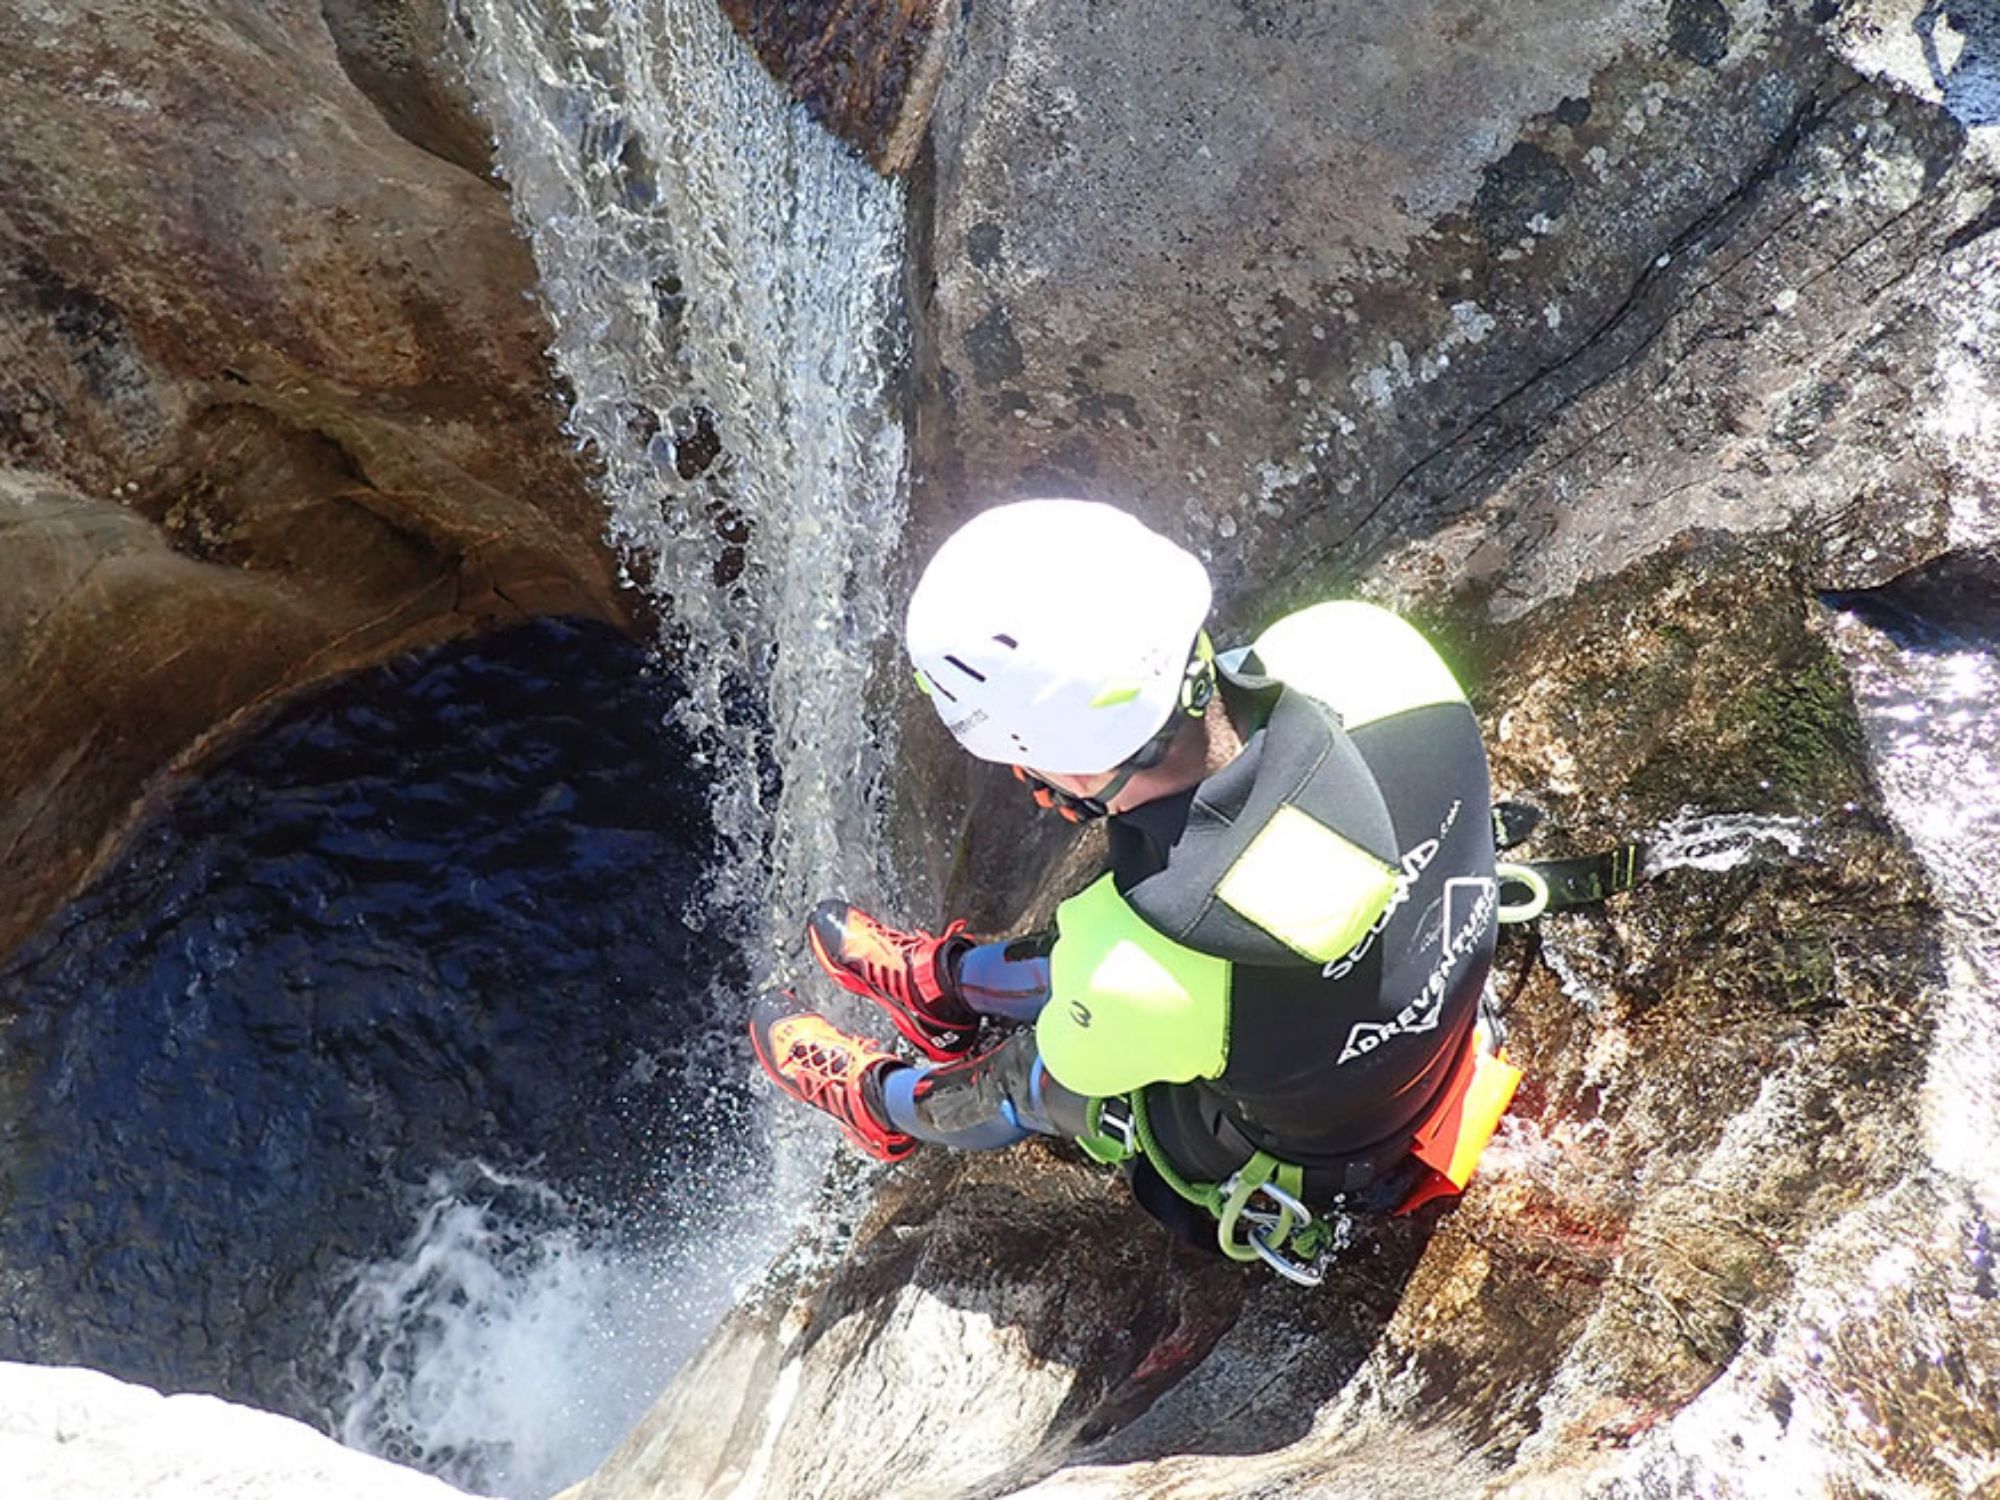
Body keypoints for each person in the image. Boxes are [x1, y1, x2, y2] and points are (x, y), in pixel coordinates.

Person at [749, 499, 1519, 1280]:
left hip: (1325, 1157)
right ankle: (949, 988)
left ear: (1072, 772)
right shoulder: (1361, 646)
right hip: (1439, 1008)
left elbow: (1089, 1044)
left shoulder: (1136, 964)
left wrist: (1108, 990)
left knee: (1041, 1079)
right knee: (1141, 967)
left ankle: (886, 1101)